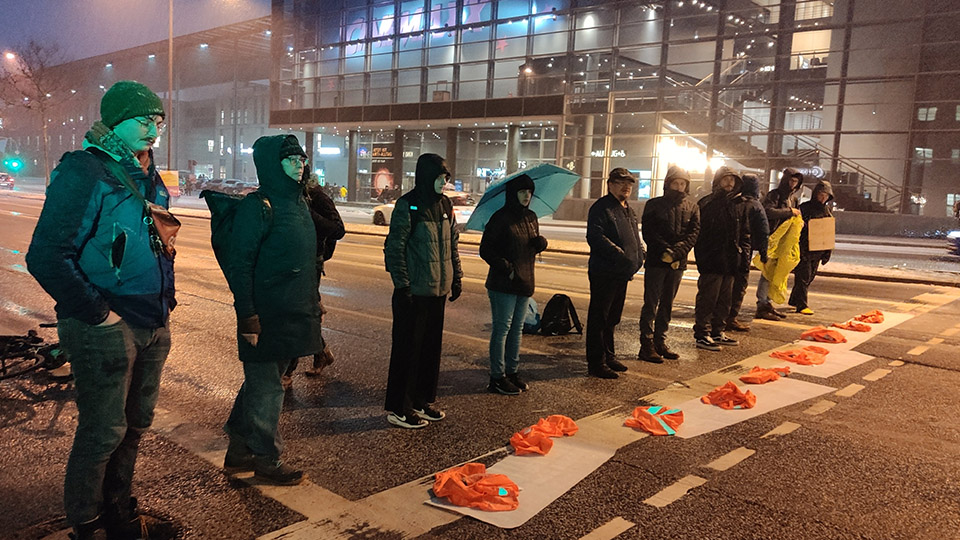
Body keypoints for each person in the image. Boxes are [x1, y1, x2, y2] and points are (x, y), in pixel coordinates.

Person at [26, 80, 175, 539]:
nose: (153, 129)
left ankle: (120, 513)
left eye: (158, 121)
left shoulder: (149, 175)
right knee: (103, 430)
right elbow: (47, 255)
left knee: (135, 426)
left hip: (153, 318)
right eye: (143, 120)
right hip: (107, 323)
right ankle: (87, 524)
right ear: (116, 122)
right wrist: (99, 315)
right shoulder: (87, 170)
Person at [222, 134, 321, 486]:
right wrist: (247, 314)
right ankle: (267, 458)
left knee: (260, 386)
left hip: (291, 311)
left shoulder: (298, 204)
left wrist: (313, 307)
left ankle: (238, 448)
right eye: (291, 160)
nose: (300, 166)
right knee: (267, 389)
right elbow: (241, 265)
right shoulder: (257, 206)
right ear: (270, 165)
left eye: (301, 160)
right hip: (264, 315)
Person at [383, 153, 463, 428]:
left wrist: (456, 277)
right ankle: (399, 407)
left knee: (430, 349)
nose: (444, 183)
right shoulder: (408, 205)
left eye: (446, 178)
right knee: (408, 351)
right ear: (427, 176)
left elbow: (452, 244)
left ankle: (421, 400)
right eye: (441, 177)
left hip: (436, 291)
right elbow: (395, 249)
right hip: (414, 291)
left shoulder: (444, 205)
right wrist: (402, 285)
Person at [479, 174, 548, 394]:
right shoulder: (501, 218)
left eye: (529, 191)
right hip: (503, 283)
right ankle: (497, 377)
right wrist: (505, 267)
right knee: (502, 329)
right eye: (521, 191)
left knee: (517, 329)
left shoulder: (531, 217)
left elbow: (527, 247)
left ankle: (512, 371)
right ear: (513, 193)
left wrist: (540, 243)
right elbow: (486, 249)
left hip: (525, 280)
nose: (526, 196)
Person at [281, 171, 344, 389]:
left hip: (310, 263)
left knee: (297, 314)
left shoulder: (316, 196)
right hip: (289, 260)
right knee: (302, 313)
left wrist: (309, 214)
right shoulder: (287, 194)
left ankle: (287, 371)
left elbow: (338, 229)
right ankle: (320, 352)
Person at [585, 168, 645, 379]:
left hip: (621, 272)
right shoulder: (602, 208)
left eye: (629, 183)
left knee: (612, 318)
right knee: (599, 318)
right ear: (610, 184)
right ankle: (596, 362)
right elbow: (595, 237)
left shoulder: (628, 209)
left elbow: (633, 238)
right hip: (605, 271)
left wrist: (639, 255)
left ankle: (609, 356)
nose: (626, 187)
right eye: (621, 183)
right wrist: (621, 255)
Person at [637, 166, 700, 363]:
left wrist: (677, 252)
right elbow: (649, 232)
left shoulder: (692, 207)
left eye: (682, 183)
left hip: (677, 263)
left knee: (667, 303)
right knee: (651, 303)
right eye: (676, 183)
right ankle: (646, 345)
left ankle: (660, 341)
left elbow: (694, 233)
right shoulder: (654, 205)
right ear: (668, 183)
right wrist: (666, 250)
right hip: (657, 261)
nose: (679, 187)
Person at [693, 166, 747, 351]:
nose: (729, 183)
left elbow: (742, 233)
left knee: (725, 300)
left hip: (730, 261)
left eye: (732, 180)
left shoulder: (736, 204)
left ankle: (718, 331)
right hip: (712, 261)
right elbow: (698, 234)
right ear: (717, 181)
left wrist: (740, 256)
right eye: (726, 179)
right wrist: (704, 258)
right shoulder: (707, 203)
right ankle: (702, 333)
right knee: (708, 299)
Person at [755, 168, 803, 321]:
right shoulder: (774, 195)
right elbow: (767, 211)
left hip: (783, 240)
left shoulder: (793, 198)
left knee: (776, 272)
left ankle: (767, 302)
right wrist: (789, 211)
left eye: (795, 181)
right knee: (767, 272)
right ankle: (762, 304)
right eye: (790, 180)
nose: (792, 184)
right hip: (773, 237)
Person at [726, 173, 770, 332]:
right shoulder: (756, 206)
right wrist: (764, 253)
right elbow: (764, 232)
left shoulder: (733, 202)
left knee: (727, 284)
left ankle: (721, 315)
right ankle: (731, 318)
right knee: (740, 285)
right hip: (745, 249)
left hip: (729, 249)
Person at [789, 180, 835, 314]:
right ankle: (802, 305)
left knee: (809, 277)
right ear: (816, 194)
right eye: (821, 194)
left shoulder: (826, 210)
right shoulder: (805, 207)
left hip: (818, 250)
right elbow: (798, 228)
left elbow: (828, 232)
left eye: (826, 195)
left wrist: (827, 252)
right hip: (805, 249)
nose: (823, 197)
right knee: (803, 277)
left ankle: (794, 299)